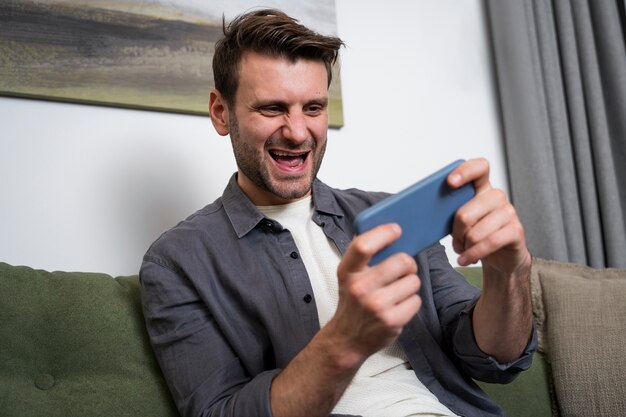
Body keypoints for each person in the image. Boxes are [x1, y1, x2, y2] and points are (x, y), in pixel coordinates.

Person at [140, 8, 536, 417]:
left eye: (313, 108)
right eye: (273, 108)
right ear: (221, 113)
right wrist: (347, 338)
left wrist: (509, 272)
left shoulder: (387, 212)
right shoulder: (176, 263)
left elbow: (492, 358)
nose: (297, 132)